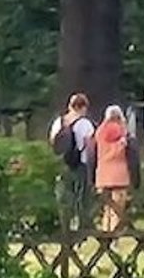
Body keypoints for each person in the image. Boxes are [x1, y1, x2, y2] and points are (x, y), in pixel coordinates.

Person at [48, 93, 96, 231]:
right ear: (84, 107)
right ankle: (82, 226)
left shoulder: (59, 121)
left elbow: (52, 141)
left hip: (63, 163)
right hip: (80, 163)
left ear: (70, 105)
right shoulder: (85, 123)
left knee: (64, 195)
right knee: (81, 196)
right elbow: (90, 144)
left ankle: (65, 226)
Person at [93, 105, 134, 231]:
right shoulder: (120, 131)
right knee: (118, 207)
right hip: (118, 175)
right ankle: (114, 235)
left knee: (107, 207)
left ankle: (106, 231)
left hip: (102, 175)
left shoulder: (99, 131)